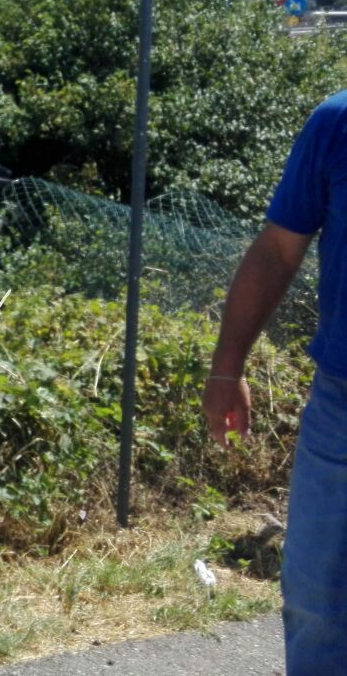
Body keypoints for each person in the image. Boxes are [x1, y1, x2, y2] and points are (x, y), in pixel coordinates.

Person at [204, 90, 347, 671]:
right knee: (317, 597)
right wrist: (226, 367)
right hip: (341, 407)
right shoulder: (337, 123)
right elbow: (277, 251)